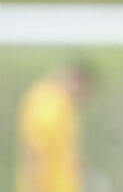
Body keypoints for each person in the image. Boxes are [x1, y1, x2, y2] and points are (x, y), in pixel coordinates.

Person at [16, 60, 93, 192]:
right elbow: (35, 148)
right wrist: (34, 184)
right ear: (77, 80)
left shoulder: (64, 104)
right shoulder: (49, 102)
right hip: (48, 185)